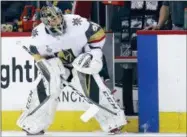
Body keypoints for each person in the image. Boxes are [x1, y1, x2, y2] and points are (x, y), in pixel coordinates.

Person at [16, 5, 126, 135]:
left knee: (93, 88)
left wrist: (92, 54)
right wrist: (48, 66)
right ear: (45, 22)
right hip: (58, 66)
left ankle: (113, 122)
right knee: (47, 85)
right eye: (52, 20)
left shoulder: (77, 22)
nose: (56, 21)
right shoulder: (38, 36)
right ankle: (32, 124)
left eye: (57, 17)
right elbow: (38, 57)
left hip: (81, 61)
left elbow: (99, 35)